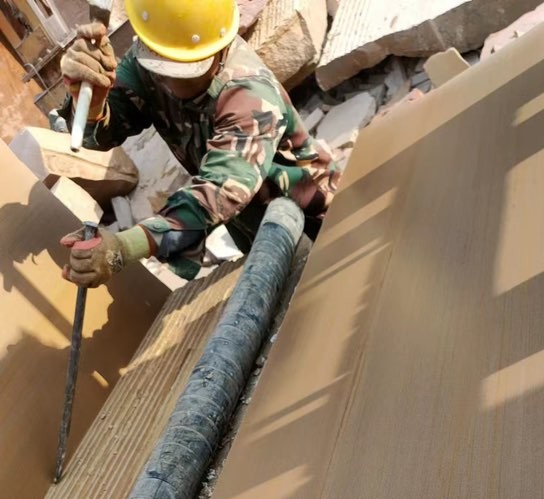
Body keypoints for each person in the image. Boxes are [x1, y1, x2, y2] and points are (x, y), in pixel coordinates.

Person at [58, 0, 339, 288]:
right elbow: (102, 135)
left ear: (213, 54)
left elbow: (218, 193)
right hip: (255, 226)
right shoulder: (154, 60)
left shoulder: (249, 95)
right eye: (156, 62)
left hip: (315, 222)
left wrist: (123, 247)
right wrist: (91, 102)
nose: (162, 77)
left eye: (176, 70)